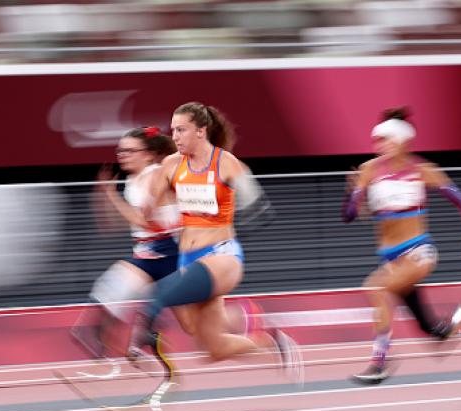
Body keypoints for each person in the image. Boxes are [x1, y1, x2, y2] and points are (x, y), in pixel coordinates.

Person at [132, 101, 300, 376]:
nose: (175, 137)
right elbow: (149, 213)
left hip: (221, 256)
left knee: (157, 297)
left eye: (181, 130)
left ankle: (143, 335)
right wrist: (149, 186)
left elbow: (261, 209)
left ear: (201, 130)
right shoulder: (172, 165)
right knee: (213, 349)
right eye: (173, 131)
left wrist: (231, 222)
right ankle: (273, 344)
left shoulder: (226, 162)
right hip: (189, 258)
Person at [343, 107, 461, 384]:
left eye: (387, 140)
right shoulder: (368, 171)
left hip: (418, 251)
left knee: (375, 288)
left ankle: (380, 361)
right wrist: (352, 195)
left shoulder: (423, 170)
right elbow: (349, 216)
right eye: (378, 141)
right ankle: (451, 324)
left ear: (402, 141)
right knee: (425, 323)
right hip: (391, 258)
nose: (380, 146)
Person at [70, 126, 186, 360]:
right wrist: (104, 195)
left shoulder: (155, 175)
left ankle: (257, 330)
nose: (122, 155)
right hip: (148, 256)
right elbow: (113, 226)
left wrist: (111, 195)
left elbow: (143, 222)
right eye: (120, 150)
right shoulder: (134, 181)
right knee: (110, 291)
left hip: (173, 254)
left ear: (148, 154)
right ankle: (112, 347)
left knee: (197, 325)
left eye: (130, 150)